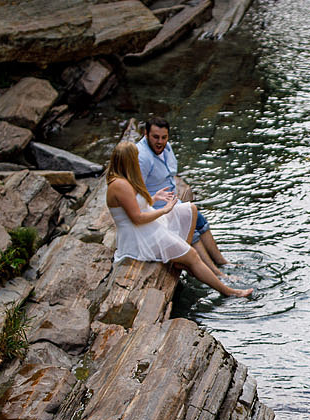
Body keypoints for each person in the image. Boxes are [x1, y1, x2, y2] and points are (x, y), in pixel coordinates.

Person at [105, 142, 252, 298]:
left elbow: (134, 207)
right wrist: (164, 210)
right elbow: (137, 218)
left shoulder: (124, 180)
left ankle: (182, 256)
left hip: (148, 226)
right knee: (193, 256)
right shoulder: (120, 185)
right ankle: (230, 292)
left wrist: (154, 199)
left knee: (189, 210)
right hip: (139, 237)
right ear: (129, 160)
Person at [135, 117, 227, 268]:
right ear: (146, 134)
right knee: (191, 229)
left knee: (200, 221)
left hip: (173, 202)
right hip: (158, 210)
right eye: (155, 137)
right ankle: (215, 272)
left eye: (164, 137)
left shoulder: (166, 148)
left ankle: (222, 262)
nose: (160, 141)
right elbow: (137, 193)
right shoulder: (142, 158)